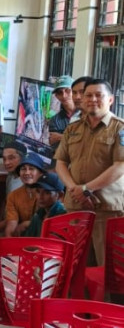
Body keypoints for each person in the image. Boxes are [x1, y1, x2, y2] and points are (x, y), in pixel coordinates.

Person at [55, 78, 124, 267]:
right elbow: (61, 161)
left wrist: (87, 189)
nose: (93, 99)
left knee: (107, 267)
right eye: (88, 95)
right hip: (76, 206)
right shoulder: (73, 129)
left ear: (110, 99)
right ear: (83, 100)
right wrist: (74, 189)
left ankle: (106, 299)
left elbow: (120, 165)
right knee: (75, 265)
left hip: (107, 209)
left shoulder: (120, 128)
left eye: (98, 95)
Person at [4, 152, 45, 237]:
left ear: (40, 173)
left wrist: (27, 224)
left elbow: (49, 222)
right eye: (23, 169)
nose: (27, 172)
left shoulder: (48, 194)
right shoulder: (13, 196)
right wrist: (9, 243)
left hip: (45, 238)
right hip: (22, 238)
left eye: (31, 169)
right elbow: (11, 224)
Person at [24, 172, 67, 237]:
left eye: (47, 192)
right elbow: (29, 240)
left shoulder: (63, 216)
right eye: (38, 191)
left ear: (60, 195)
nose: (40, 197)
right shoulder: (37, 216)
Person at [49, 75, 75, 148]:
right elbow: (57, 148)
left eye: (67, 91)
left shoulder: (86, 114)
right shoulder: (55, 120)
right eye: (60, 93)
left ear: (75, 92)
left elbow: (90, 140)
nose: (64, 95)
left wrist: (61, 137)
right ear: (56, 96)